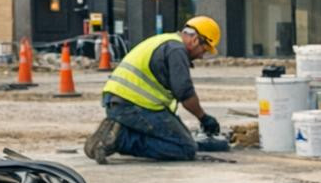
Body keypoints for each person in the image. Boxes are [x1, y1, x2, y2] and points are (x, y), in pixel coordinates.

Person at [84, 16, 223, 162]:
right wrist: (204, 118)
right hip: (132, 106)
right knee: (185, 148)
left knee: (180, 138)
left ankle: (117, 130)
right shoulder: (177, 50)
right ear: (195, 40)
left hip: (121, 103)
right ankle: (121, 138)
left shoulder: (166, 41)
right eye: (204, 49)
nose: (201, 56)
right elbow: (184, 93)